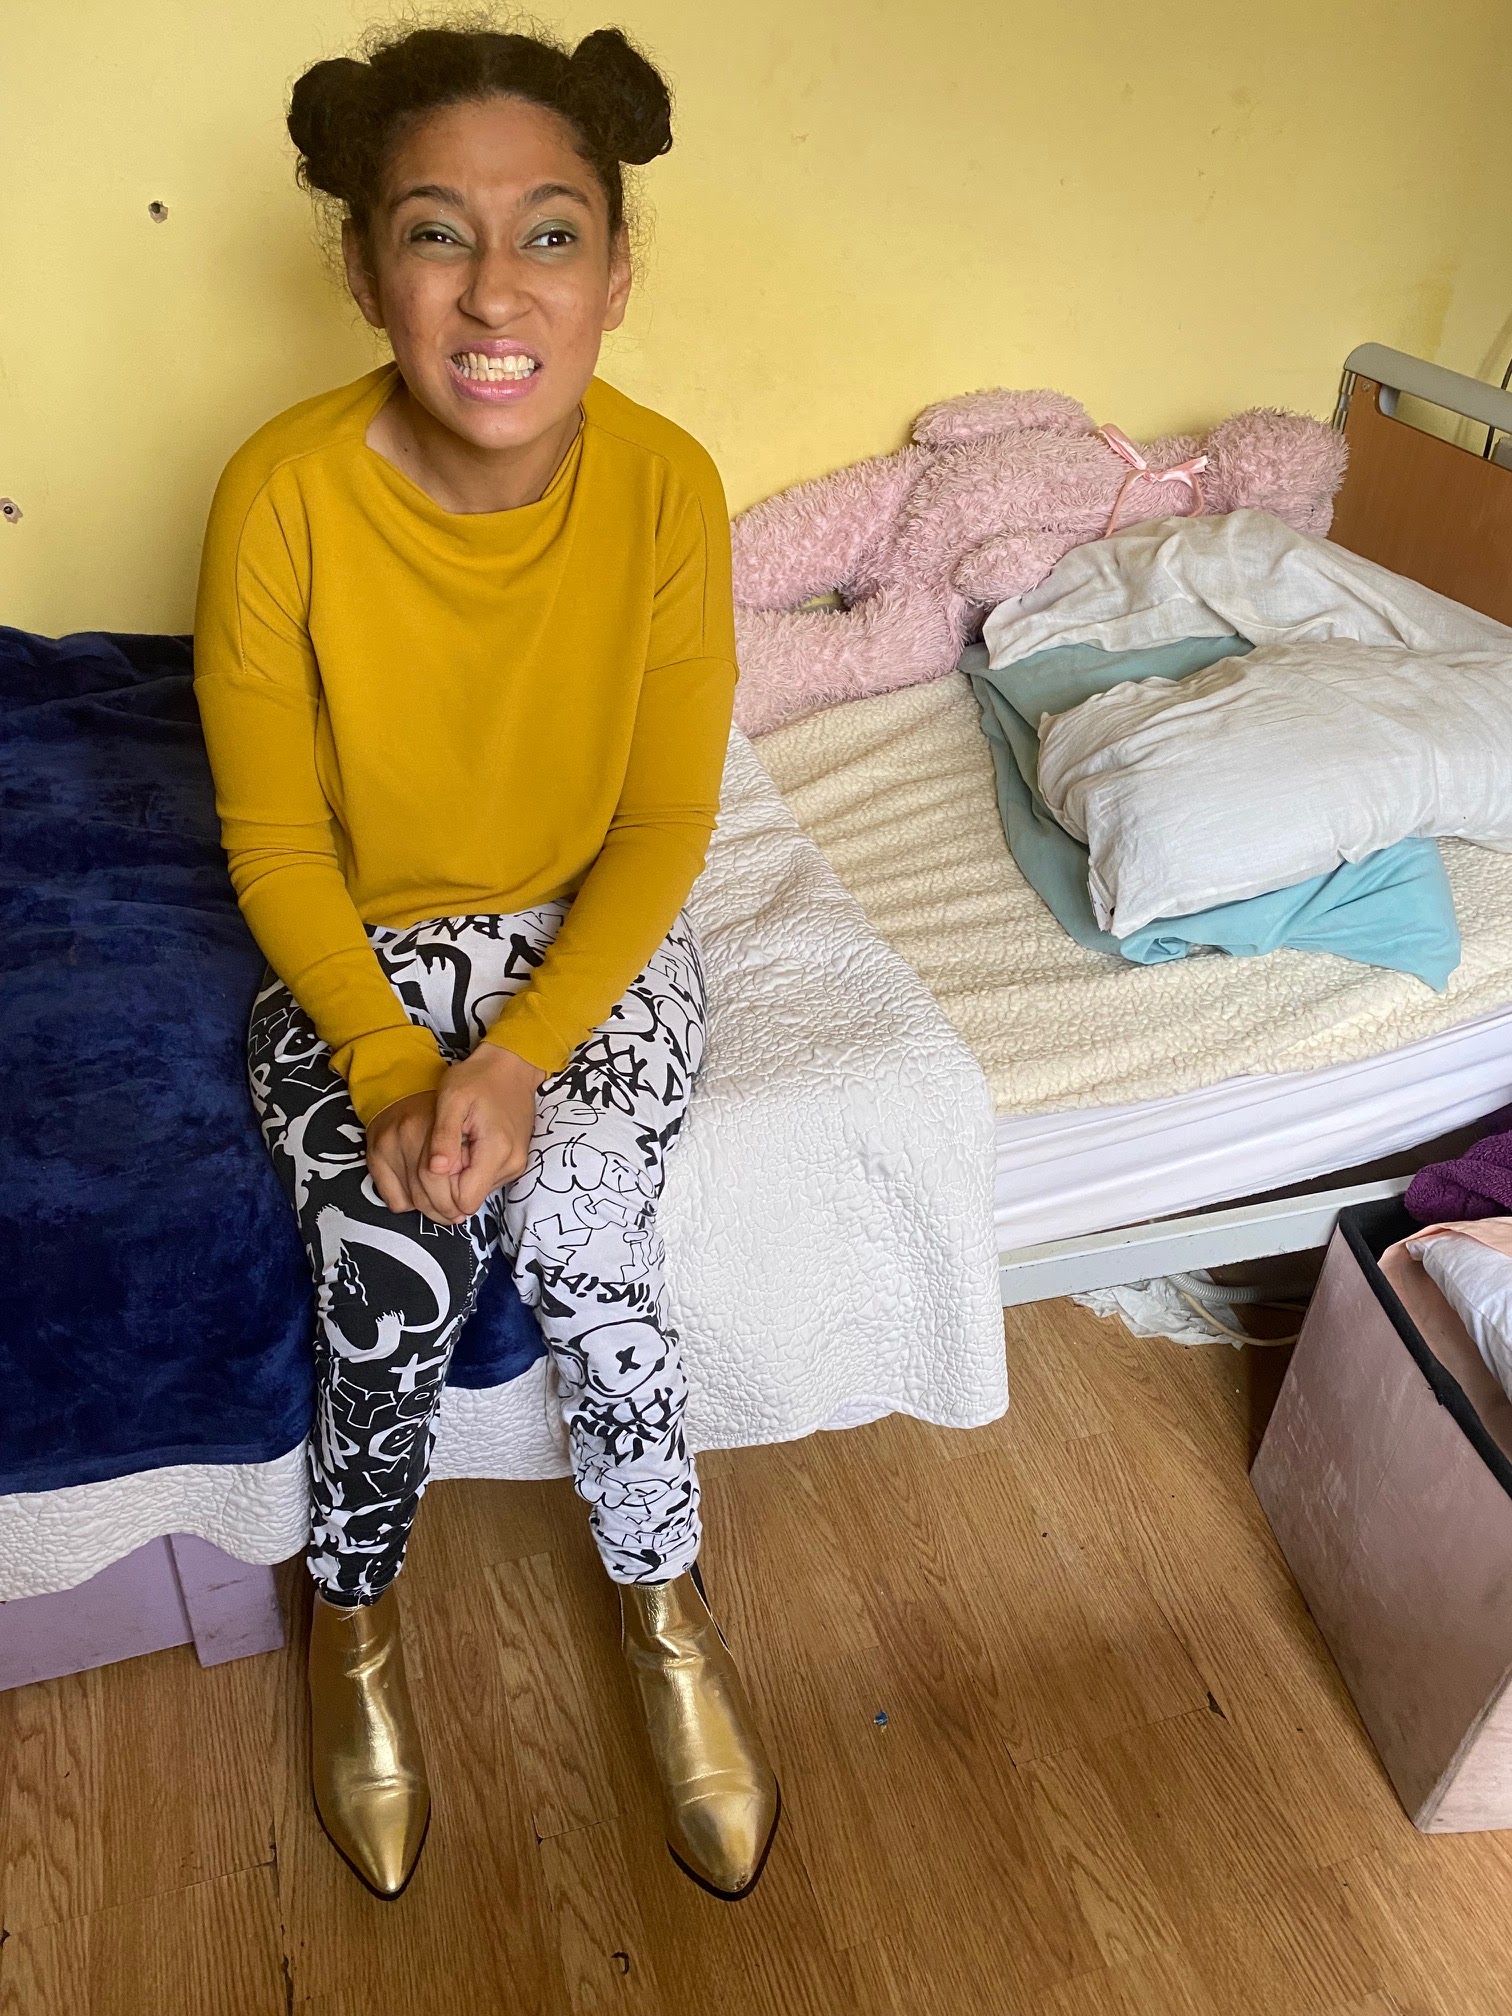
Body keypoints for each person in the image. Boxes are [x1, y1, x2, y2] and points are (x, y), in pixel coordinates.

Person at [194, 21, 779, 1903]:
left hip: (585, 941)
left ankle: (666, 1612)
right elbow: (275, 843)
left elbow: (662, 824)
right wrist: (392, 1070)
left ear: (617, 271)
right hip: (357, 949)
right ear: (364, 268)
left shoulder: (670, 486)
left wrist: (519, 1061)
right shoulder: (280, 490)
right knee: (395, 1258)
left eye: (550, 235)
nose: (494, 289)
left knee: (593, 1235)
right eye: (436, 232)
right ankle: (354, 1624)